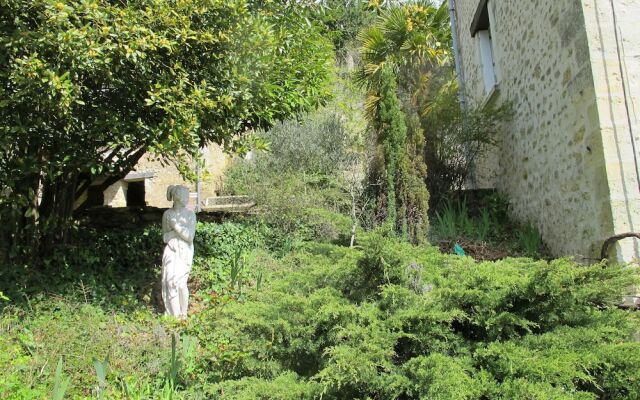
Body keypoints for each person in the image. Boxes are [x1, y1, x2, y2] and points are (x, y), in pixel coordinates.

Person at [161, 185, 196, 319]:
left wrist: (175, 226)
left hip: (185, 252)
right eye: (185, 195)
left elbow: (189, 237)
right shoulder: (167, 214)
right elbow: (165, 237)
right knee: (170, 282)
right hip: (171, 251)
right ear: (177, 197)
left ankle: (183, 314)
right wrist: (178, 232)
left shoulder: (190, 214)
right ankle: (174, 315)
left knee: (181, 284)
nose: (187, 198)